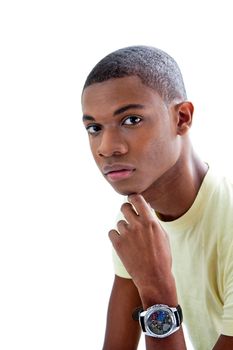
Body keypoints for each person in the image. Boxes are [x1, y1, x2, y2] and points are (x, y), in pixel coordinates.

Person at [81, 45, 233, 350]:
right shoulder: (141, 223)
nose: (107, 147)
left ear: (182, 118)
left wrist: (155, 288)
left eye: (131, 120)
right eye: (94, 127)